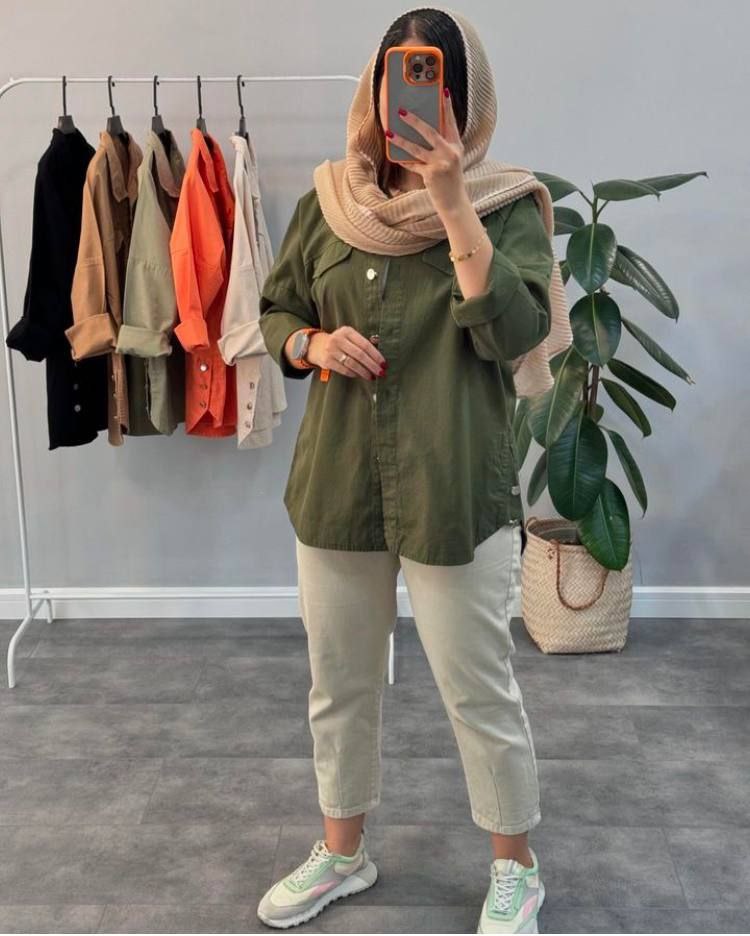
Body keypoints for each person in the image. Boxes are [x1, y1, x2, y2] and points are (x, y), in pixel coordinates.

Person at [256, 6, 564, 933]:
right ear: (375, 89)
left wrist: (452, 198)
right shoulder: (330, 202)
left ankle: (516, 868)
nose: (410, 103)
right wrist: (311, 344)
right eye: (396, 80)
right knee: (339, 684)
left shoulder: (506, 205)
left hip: (452, 484)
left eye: (432, 86)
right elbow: (276, 311)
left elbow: (515, 335)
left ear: (463, 104)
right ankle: (343, 853)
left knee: (478, 690)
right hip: (339, 482)